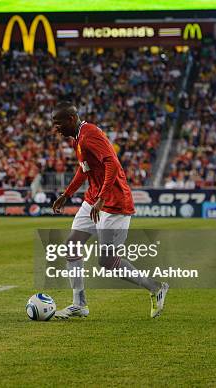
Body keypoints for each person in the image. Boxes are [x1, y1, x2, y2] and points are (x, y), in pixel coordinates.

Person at [50, 102, 169, 319]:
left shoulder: (90, 135)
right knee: (72, 246)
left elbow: (112, 164)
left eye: (58, 124)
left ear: (70, 119)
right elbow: (84, 169)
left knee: (107, 261)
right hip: (93, 199)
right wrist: (67, 194)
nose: (55, 129)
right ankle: (79, 304)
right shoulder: (78, 138)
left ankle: (155, 287)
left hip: (113, 203)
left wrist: (102, 198)